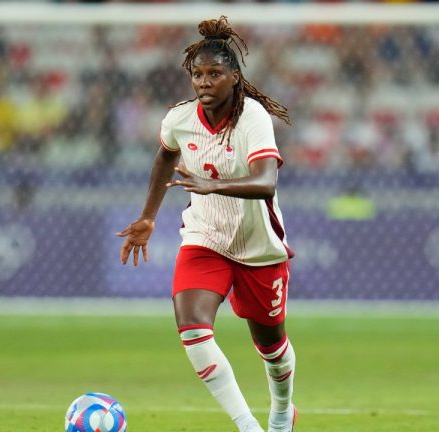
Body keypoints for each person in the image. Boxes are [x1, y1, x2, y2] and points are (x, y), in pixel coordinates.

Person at [116, 16, 297, 432]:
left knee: (271, 348)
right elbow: (165, 156)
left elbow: (266, 182)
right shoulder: (180, 119)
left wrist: (211, 185)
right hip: (205, 237)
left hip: (258, 245)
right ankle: (248, 426)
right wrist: (148, 216)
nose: (204, 82)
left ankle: (283, 412)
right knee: (192, 328)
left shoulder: (252, 117)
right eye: (197, 74)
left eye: (214, 74)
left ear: (234, 77)